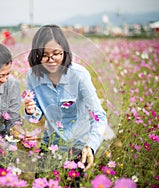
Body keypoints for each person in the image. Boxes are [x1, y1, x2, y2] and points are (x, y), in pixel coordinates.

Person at [24, 25, 107, 172]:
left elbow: (99, 115)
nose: (51, 60)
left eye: (56, 53)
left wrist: (90, 146)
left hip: (79, 142)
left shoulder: (79, 75)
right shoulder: (33, 76)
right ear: (36, 54)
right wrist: (30, 111)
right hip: (51, 141)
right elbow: (36, 117)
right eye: (44, 55)